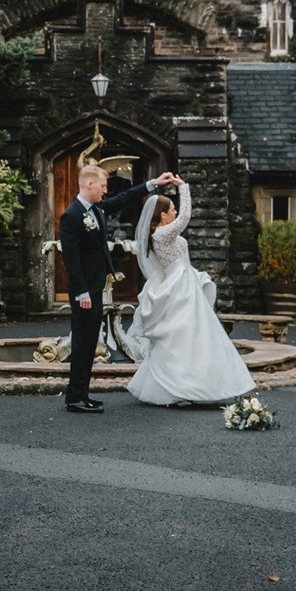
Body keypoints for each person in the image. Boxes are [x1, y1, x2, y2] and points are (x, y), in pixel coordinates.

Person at [58, 161, 178, 414]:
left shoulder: (98, 208)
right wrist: (81, 294)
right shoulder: (71, 216)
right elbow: (71, 259)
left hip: (96, 287)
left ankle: (82, 394)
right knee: (82, 343)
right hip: (84, 293)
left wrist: (153, 184)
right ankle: (74, 398)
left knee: (90, 342)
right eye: (102, 186)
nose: (105, 190)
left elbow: (124, 198)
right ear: (89, 184)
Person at [125, 180, 256, 407]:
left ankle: (188, 385)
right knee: (184, 336)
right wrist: (183, 187)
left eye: (175, 208)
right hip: (180, 287)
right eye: (171, 209)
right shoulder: (162, 234)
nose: (175, 212)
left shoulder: (160, 234)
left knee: (190, 336)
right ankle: (180, 387)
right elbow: (185, 218)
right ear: (163, 215)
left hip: (184, 282)